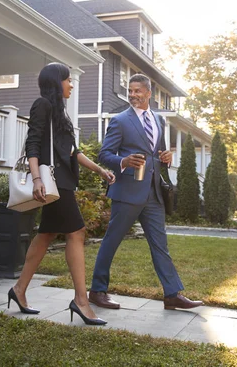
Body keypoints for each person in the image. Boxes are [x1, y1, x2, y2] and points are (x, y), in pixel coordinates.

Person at [7, 63, 115, 326]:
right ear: (57, 82)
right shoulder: (42, 105)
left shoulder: (61, 114)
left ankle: (19, 290)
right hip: (52, 182)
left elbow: (73, 152)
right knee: (76, 232)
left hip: (62, 182)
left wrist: (100, 170)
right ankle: (80, 300)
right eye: (68, 80)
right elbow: (32, 143)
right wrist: (35, 178)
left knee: (45, 235)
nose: (72, 85)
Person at [88, 73, 203, 311]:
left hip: (153, 193)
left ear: (149, 93)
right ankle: (97, 291)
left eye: (138, 91)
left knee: (160, 244)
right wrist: (124, 161)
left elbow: (157, 154)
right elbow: (104, 154)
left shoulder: (159, 121)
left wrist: (167, 157)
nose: (133, 95)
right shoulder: (120, 120)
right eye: (130, 91)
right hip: (127, 192)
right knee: (111, 241)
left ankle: (172, 294)